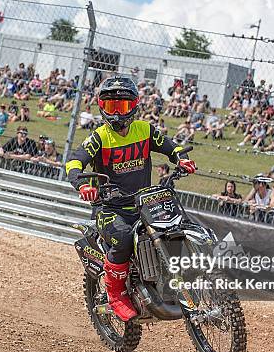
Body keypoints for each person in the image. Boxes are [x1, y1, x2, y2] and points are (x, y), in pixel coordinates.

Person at [64, 76, 196, 322]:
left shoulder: (144, 130)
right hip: (109, 208)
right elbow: (74, 161)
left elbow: (170, 147)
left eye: (122, 107)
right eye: (111, 107)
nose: (117, 113)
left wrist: (181, 158)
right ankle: (115, 294)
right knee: (123, 237)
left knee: (175, 225)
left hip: (143, 204)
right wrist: (82, 184)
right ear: (101, 108)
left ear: (134, 105)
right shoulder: (99, 137)